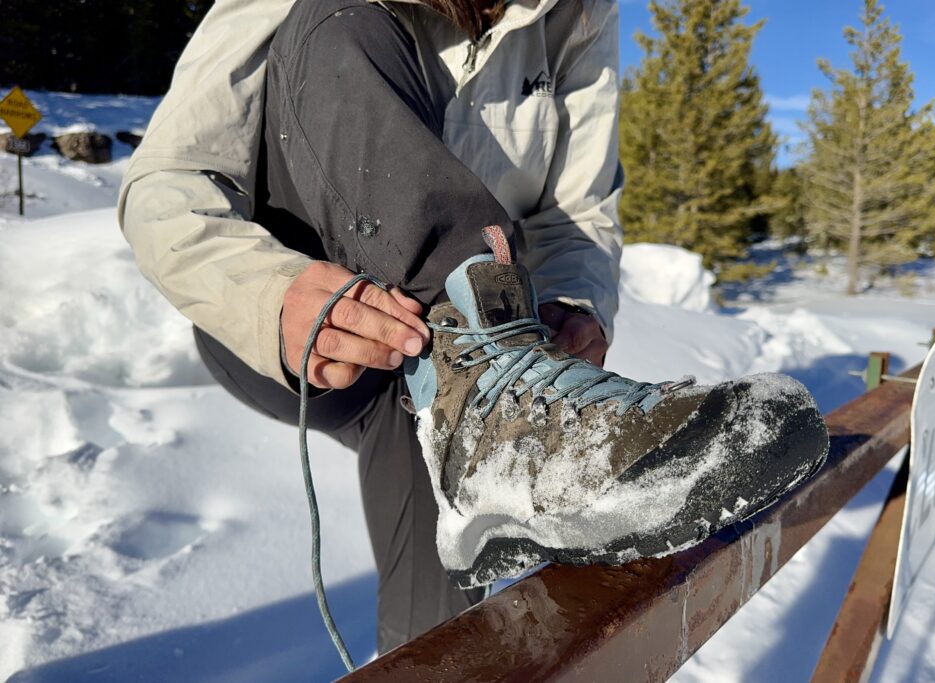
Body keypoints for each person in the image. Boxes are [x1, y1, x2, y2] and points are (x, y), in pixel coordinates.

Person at [119, 0, 828, 656]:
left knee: (439, 636)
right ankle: (487, 434)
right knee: (338, 16)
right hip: (295, 326)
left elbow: (576, 211)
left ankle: (479, 468)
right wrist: (271, 296)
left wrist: (576, 303)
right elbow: (166, 183)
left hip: (453, 370)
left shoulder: (576, 13)